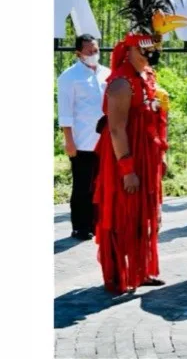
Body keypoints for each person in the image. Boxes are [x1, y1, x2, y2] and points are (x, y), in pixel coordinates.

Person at [92, 0, 187, 294]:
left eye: (153, 51)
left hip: (147, 160)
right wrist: (128, 169)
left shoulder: (146, 79)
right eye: (145, 50)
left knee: (146, 215)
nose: (151, 56)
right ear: (130, 50)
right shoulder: (120, 84)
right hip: (127, 160)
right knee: (122, 216)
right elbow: (117, 129)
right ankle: (119, 275)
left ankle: (142, 269)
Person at [57, 34, 111, 241]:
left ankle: (97, 223)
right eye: (89, 51)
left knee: (101, 185)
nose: (93, 54)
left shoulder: (107, 73)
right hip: (82, 141)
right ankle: (80, 226)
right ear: (78, 52)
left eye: (96, 50)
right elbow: (65, 112)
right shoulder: (69, 77)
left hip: (105, 141)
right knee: (82, 186)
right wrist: (68, 140)